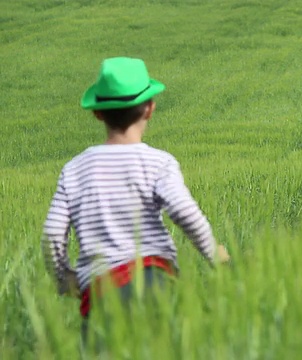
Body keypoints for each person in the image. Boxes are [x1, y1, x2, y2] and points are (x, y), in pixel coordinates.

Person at [41, 57, 230, 345]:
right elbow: (184, 212)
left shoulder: (74, 169)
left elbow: (53, 232)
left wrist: (63, 278)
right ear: (150, 108)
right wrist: (215, 255)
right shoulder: (158, 163)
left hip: (102, 291)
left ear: (98, 114)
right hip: (154, 280)